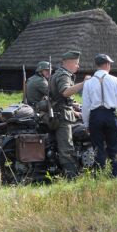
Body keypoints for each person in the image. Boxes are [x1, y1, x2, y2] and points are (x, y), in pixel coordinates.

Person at [82, 54, 117, 178]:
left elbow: (85, 106)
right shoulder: (115, 80)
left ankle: (99, 176)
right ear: (107, 64)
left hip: (95, 116)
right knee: (114, 147)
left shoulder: (88, 83)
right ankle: (115, 175)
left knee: (98, 148)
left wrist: (85, 124)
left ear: (97, 65)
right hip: (110, 115)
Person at [49, 51, 87, 179]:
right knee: (67, 147)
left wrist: (75, 105)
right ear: (69, 63)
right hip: (62, 116)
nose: (78, 66)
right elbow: (65, 92)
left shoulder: (59, 73)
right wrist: (83, 84)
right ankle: (71, 176)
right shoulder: (64, 75)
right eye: (76, 63)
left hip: (61, 112)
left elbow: (62, 97)